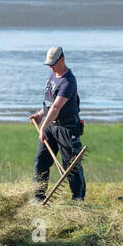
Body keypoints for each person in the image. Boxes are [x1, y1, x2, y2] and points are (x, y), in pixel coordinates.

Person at [30, 45, 85, 200]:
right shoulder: (52, 75)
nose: (52, 68)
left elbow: (56, 107)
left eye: (54, 64)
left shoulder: (68, 82)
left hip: (66, 128)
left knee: (71, 165)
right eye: (49, 65)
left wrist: (43, 127)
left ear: (62, 59)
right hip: (50, 126)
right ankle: (38, 197)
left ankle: (78, 198)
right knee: (40, 162)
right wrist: (40, 115)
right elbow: (49, 103)